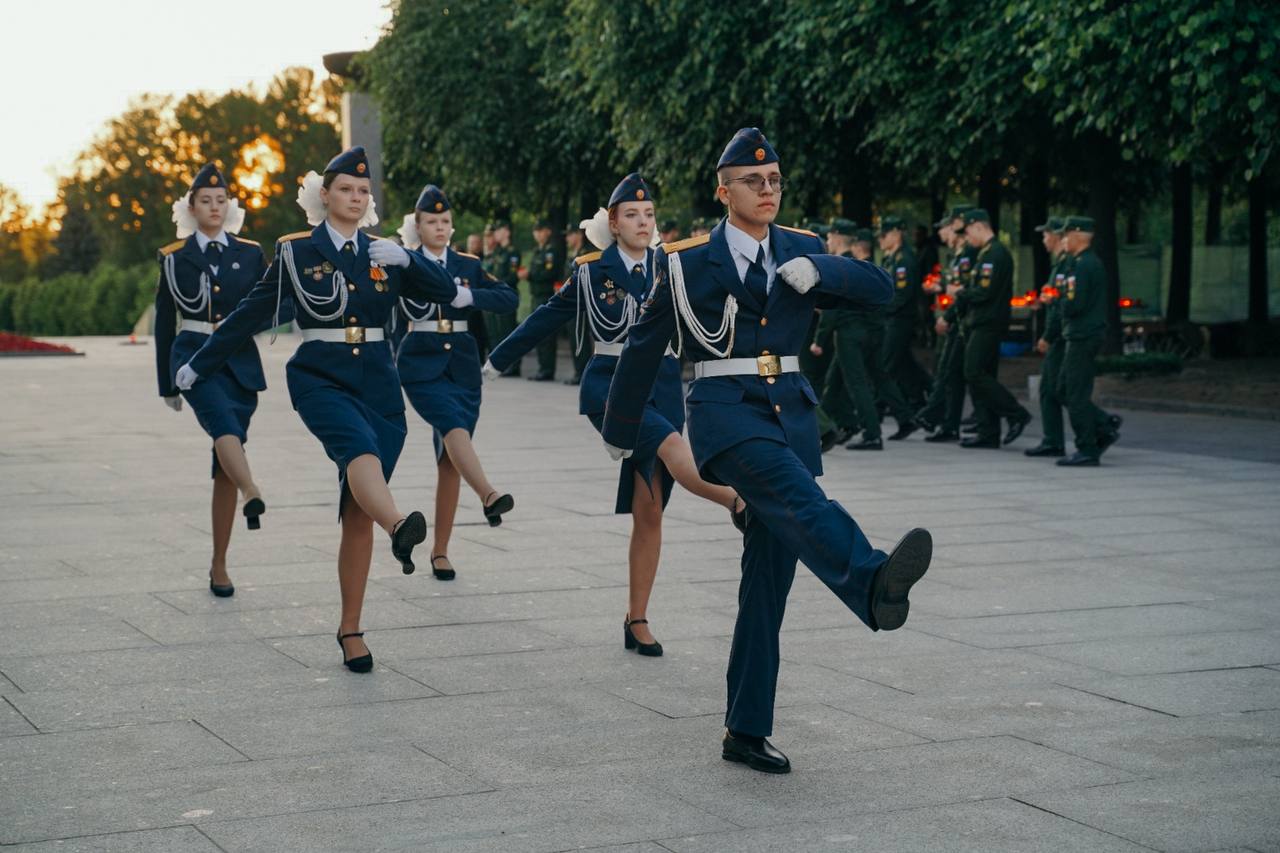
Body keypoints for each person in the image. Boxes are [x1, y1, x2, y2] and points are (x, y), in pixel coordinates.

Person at [602, 129, 933, 774]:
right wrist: (620, 429)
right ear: (723, 190)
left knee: (766, 586)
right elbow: (644, 345)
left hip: (792, 417)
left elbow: (881, 290)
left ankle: (745, 729)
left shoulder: (803, 249)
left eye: (775, 179)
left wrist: (825, 271)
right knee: (799, 495)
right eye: (753, 181)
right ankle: (871, 579)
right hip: (727, 419)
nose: (768, 189)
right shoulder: (685, 261)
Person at [175, 147, 459, 672]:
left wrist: (412, 258)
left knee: (356, 513)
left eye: (363, 191)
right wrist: (201, 363)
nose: (356, 197)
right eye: (346, 190)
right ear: (324, 195)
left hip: (379, 381)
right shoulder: (295, 251)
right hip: (321, 376)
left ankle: (351, 629)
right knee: (357, 452)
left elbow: (448, 291)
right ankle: (399, 524)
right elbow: (247, 315)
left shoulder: (385, 252)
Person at [485, 173, 746, 657]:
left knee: (650, 512)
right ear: (613, 221)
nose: (643, 223)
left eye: (649, 215)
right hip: (610, 387)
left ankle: (637, 618)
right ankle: (738, 503)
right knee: (673, 449)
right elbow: (547, 315)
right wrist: (498, 359)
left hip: (663, 386)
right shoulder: (590, 271)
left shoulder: (674, 266)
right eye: (632, 215)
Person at [154, 164, 271, 598]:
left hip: (239, 362)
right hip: (195, 359)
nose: (215, 207)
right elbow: (166, 322)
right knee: (224, 426)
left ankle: (219, 564)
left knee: (225, 460)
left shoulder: (251, 253)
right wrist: (167, 382)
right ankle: (252, 489)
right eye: (206, 200)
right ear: (191, 206)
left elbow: (267, 303)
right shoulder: (174, 257)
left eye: (221, 200)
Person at [391, 184, 518, 580]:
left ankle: (440, 552)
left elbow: (509, 298)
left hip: (463, 362)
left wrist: (471, 297)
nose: (440, 227)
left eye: (446, 221)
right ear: (418, 224)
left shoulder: (468, 264)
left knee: (449, 461)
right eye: (432, 221)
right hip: (421, 360)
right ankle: (488, 494)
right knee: (452, 425)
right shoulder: (405, 263)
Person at [814, 227, 918, 450]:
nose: (828, 241)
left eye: (830, 237)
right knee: (869, 378)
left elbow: (833, 309)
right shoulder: (864, 266)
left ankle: (871, 433)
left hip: (850, 333)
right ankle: (900, 418)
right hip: (872, 330)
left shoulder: (841, 266)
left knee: (857, 383)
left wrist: (819, 339)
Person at [954, 208, 1032, 448]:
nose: (967, 237)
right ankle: (989, 432)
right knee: (982, 374)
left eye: (968, 231)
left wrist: (960, 292)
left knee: (973, 371)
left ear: (979, 226)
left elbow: (985, 292)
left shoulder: (995, 254)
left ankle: (1016, 413)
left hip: (988, 322)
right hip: (982, 321)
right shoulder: (985, 253)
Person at [1056, 216, 1123, 466]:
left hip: (1083, 334)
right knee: (1063, 389)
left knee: (1075, 392)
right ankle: (1104, 424)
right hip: (1081, 333)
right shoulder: (1082, 263)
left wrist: (1056, 302)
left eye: (1065, 235)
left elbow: (1075, 304)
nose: (1062, 240)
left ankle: (1088, 448)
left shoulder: (1083, 265)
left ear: (1078, 235)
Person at [916, 206, 974, 442]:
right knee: (947, 373)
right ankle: (946, 421)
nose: (940, 234)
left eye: (944, 228)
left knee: (950, 373)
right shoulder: (957, 255)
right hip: (950, 318)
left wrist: (947, 316)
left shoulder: (967, 254)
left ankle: (938, 417)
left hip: (957, 322)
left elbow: (964, 292)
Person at [1024, 217, 1071, 457]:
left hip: (1062, 336)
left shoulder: (1065, 266)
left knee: (1058, 388)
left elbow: (1062, 307)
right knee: (1051, 388)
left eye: (1046, 235)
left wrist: (1048, 336)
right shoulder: (1059, 265)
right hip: (1061, 333)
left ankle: (1102, 424)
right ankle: (1053, 440)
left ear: (1057, 236)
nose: (1043, 240)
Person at [878, 215, 931, 413]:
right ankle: (922, 397)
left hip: (901, 318)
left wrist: (880, 309)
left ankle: (890, 405)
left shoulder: (905, 260)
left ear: (896, 233)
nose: (880, 240)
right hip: (893, 318)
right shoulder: (892, 258)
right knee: (904, 363)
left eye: (884, 235)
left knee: (888, 363)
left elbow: (902, 294)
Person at [483, 221, 522, 376]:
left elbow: (512, 276)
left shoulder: (512, 253)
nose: (495, 234)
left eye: (498, 231)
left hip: (507, 294)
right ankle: (498, 364)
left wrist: (496, 284)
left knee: (507, 330)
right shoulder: (497, 252)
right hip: (496, 295)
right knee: (496, 332)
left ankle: (513, 366)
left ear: (506, 232)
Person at [527, 218, 560, 381]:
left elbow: (549, 273)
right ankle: (542, 367)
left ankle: (547, 369)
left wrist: (531, 275)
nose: (538, 234)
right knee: (537, 333)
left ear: (548, 231)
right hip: (535, 295)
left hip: (546, 295)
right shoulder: (537, 251)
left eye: (541, 230)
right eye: (536, 231)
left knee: (547, 335)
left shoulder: (550, 252)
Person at [562, 223, 594, 385]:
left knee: (580, 335)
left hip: (582, 301)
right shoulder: (571, 254)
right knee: (574, 337)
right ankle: (578, 371)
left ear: (579, 235)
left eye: (570, 234)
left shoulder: (586, 254)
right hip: (571, 301)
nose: (567, 238)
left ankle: (583, 372)